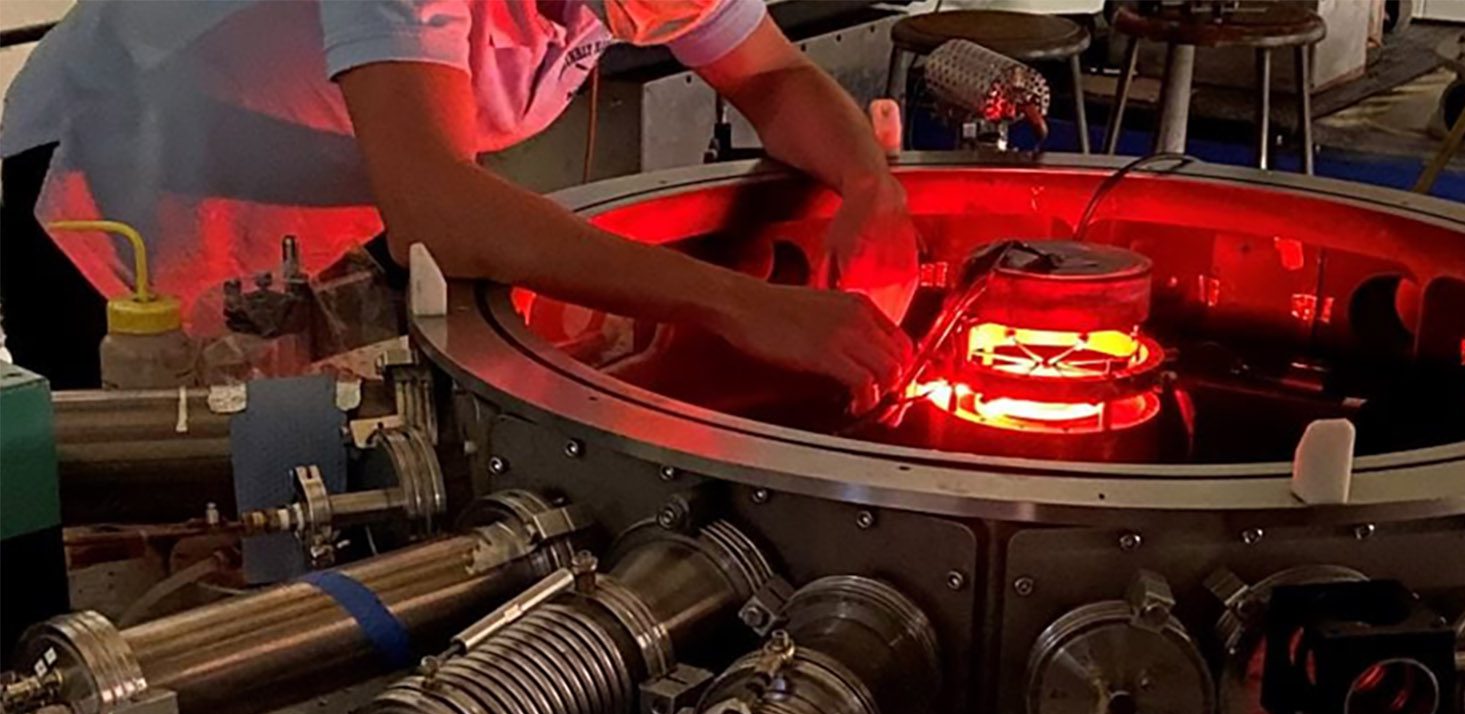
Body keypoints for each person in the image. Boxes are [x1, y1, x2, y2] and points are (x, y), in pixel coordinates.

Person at [0, 0, 916, 408]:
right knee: (140, 501)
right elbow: (440, 208)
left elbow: (781, 79)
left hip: (285, 216)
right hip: (101, 199)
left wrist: (872, 188)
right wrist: (749, 306)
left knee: (257, 431)